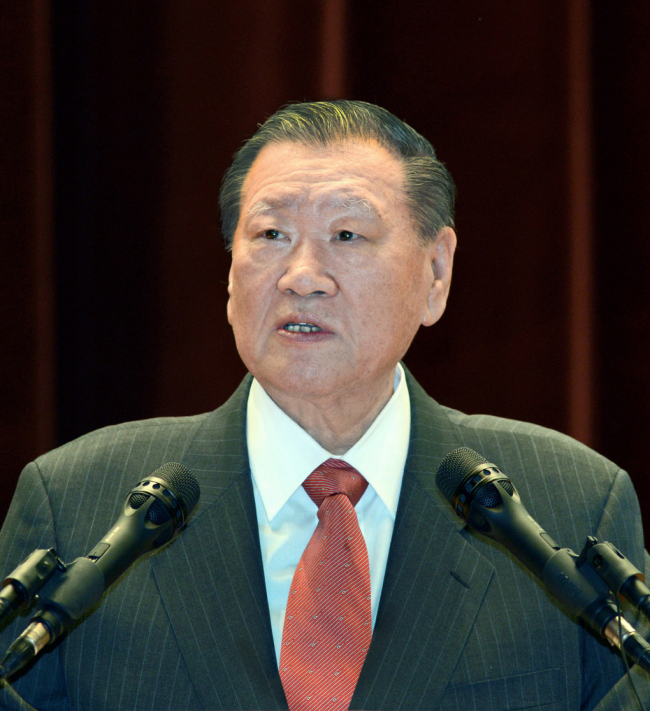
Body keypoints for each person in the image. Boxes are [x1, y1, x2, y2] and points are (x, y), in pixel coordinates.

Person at [0, 100, 648, 711]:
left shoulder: (570, 505)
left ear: (436, 273)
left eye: (346, 233)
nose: (302, 274)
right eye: (271, 232)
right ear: (229, 274)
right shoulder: (77, 505)